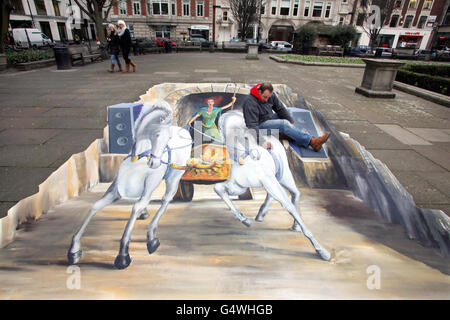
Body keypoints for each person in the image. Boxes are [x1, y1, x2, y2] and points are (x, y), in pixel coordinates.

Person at [243, 83, 330, 152]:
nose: (266, 100)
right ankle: (312, 142)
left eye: (268, 97)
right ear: (259, 92)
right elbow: (252, 126)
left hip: (267, 118)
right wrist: (262, 142)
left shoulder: (270, 96)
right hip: (258, 126)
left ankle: (287, 134)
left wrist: (290, 120)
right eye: (265, 97)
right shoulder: (250, 102)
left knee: (288, 115)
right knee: (283, 124)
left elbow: (279, 108)